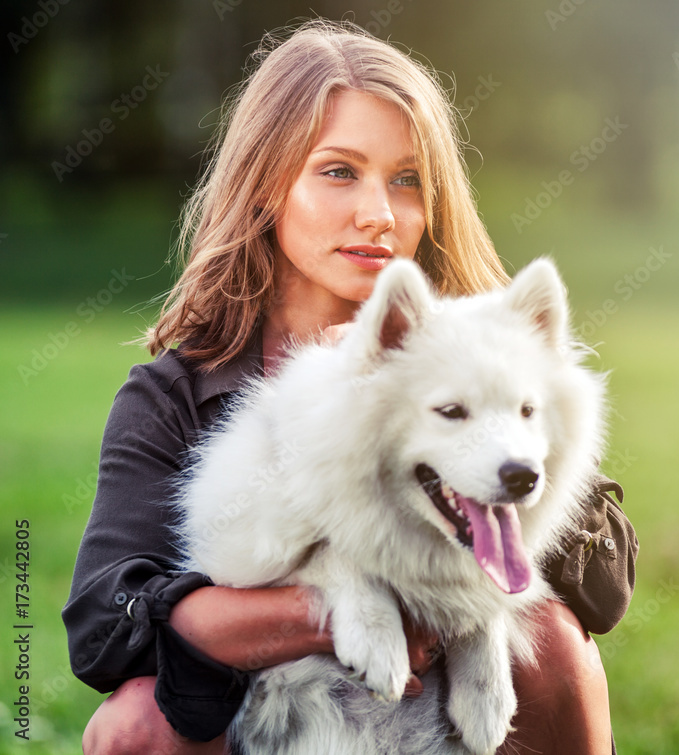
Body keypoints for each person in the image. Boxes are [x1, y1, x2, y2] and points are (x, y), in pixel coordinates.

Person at [63, 19, 638, 755]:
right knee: (136, 722)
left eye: (407, 180)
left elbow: (606, 589)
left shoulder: (480, 342)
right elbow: (106, 628)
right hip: (271, 717)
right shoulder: (174, 394)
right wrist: (328, 604)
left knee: (555, 640)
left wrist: (495, 430)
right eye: (340, 171)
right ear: (268, 185)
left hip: (440, 720)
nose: (380, 215)